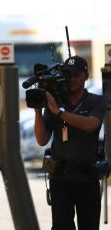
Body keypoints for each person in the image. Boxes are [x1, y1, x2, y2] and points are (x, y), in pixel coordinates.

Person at [34, 55, 106, 230]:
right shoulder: (56, 102)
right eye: (68, 75)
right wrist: (38, 111)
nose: (72, 79)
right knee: (61, 226)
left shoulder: (95, 101)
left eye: (77, 75)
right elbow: (42, 139)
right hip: (60, 177)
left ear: (86, 75)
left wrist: (59, 113)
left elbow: (90, 125)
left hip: (87, 177)